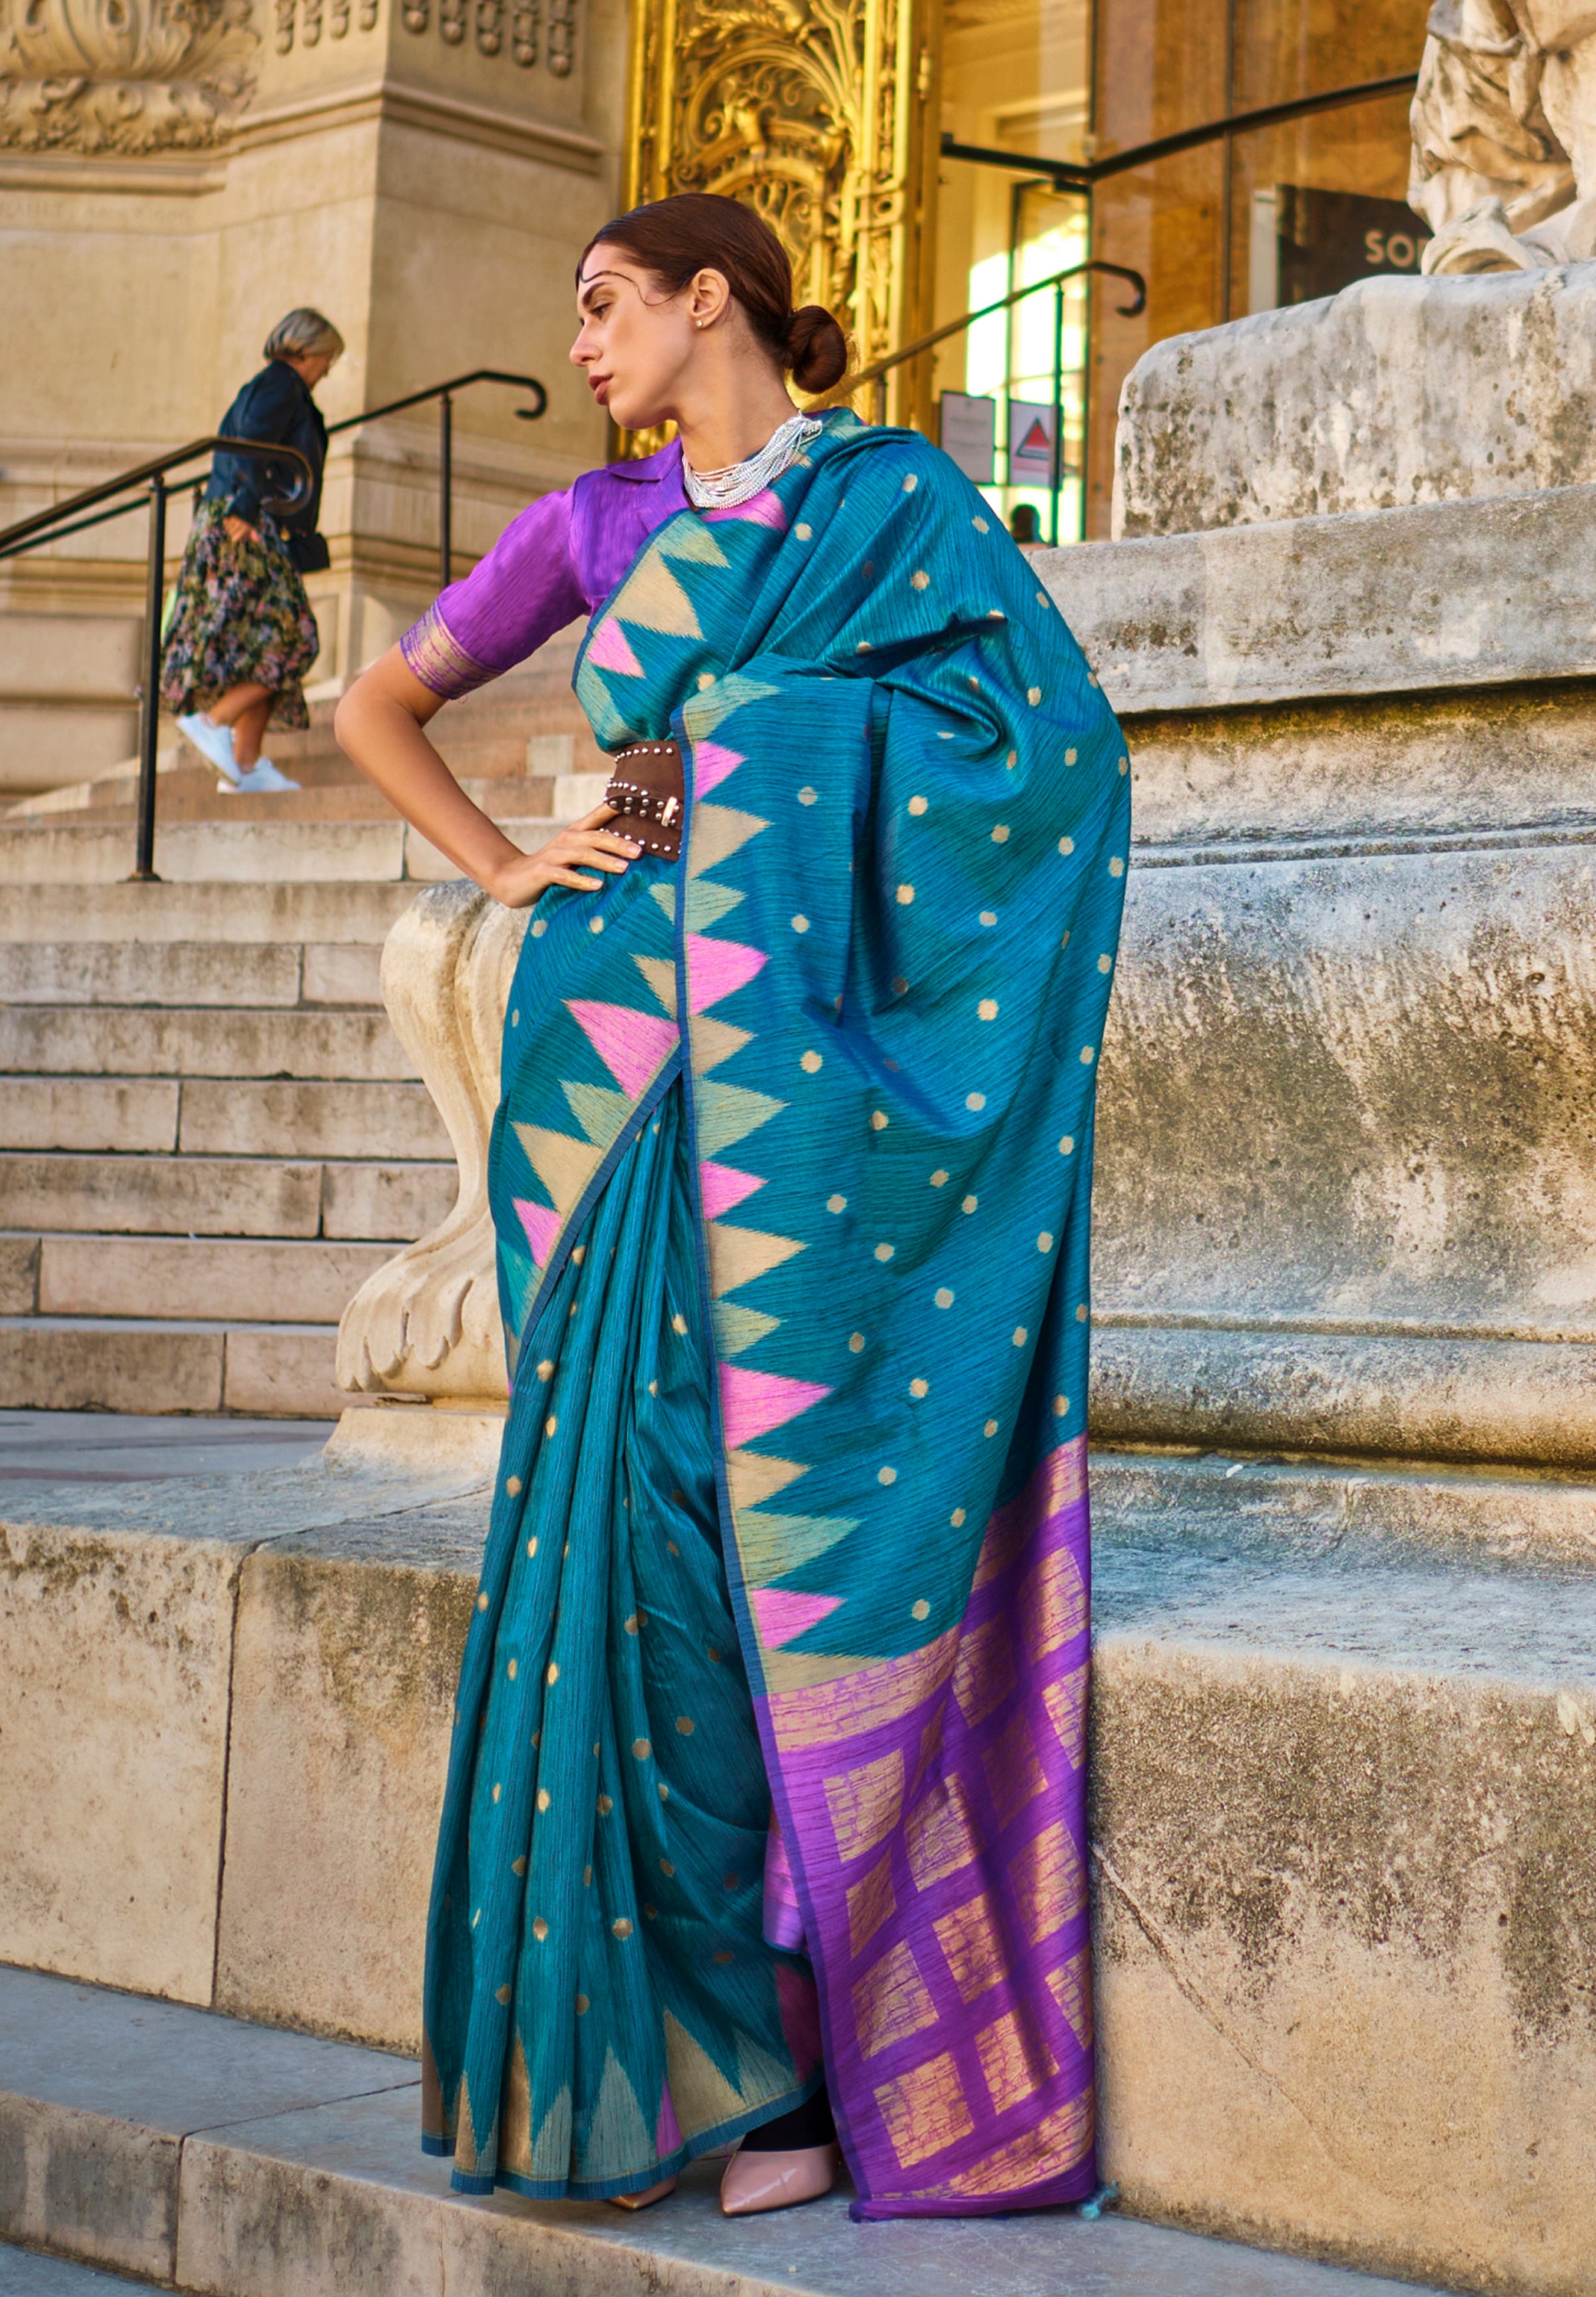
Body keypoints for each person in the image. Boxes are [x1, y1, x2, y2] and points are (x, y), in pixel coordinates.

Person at [335, 192, 1128, 2223]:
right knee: (611, 1542)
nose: (583, 344)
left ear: (713, 303)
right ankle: (649, 2051)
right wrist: (511, 861)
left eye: (604, 306)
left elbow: (1044, 755)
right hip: (603, 1081)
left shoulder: (897, 501)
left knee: (731, 1544)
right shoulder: (595, 530)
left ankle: (776, 2065)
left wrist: (758, 750)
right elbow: (373, 704)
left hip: (790, 1111)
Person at [160, 308, 344, 793]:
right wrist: (245, 505)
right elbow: (252, 443)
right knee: (293, 638)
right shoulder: (281, 384)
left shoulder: (274, 385)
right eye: (327, 358)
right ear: (307, 350)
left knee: (262, 644)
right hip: (246, 524)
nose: (328, 368)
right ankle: (213, 722)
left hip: (246, 520)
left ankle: (243, 765)